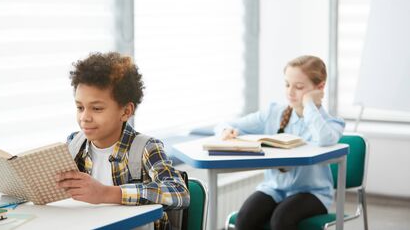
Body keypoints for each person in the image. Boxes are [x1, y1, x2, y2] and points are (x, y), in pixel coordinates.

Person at [56, 52, 190, 230]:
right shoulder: (75, 144)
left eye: (96, 108)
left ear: (126, 111)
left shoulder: (146, 148)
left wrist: (106, 193)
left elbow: (179, 193)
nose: (84, 117)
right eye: (80, 107)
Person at [217, 55, 345, 230]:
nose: (290, 92)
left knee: (281, 220)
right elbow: (226, 124)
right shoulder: (272, 113)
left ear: (320, 87)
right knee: (244, 218)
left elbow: (324, 139)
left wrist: (308, 104)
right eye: (287, 84)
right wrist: (226, 131)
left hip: (313, 194)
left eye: (299, 87)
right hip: (274, 189)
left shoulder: (331, 123)